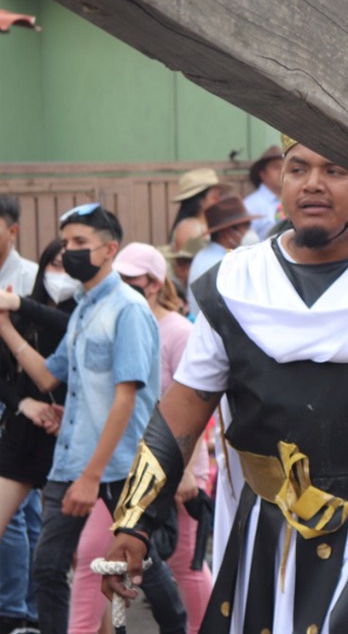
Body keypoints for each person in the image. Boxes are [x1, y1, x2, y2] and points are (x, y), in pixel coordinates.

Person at [101, 136, 348, 634]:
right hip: (270, 544)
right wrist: (132, 519)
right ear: (279, 184)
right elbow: (179, 415)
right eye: (297, 169)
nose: (313, 184)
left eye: (335, 170)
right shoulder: (236, 283)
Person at [0, 204, 188, 634]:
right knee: (48, 569)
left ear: (110, 250)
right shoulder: (84, 310)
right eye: (65, 244)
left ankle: (177, 625)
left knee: (144, 563)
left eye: (80, 243)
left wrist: (92, 475)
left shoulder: (129, 310)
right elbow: (49, 375)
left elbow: (127, 399)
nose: (69, 253)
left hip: (119, 467)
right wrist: (7, 328)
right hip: (73, 461)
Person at [70, 243, 212, 634]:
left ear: (153, 283)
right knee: (90, 554)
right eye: (119, 277)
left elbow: (201, 400)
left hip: (177, 468)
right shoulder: (119, 321)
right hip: (127, 470)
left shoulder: (180, 332)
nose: (123, 284)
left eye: (132, 278)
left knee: (185, 564)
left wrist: (186, 472)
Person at [0, 238, 77, 634]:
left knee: (75, 554)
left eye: (69, 263)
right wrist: (23, 406)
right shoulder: (22, 313)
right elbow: (8, 375)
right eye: (55, 264)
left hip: (76, 439)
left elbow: (68, 340)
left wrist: (18, 309)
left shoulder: (93, 311)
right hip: (27, 432)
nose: (60, 274)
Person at [185, 196, 260, 317]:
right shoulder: (223, 263)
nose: (250, 232)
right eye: (245, 227)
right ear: (227, 232)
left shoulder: (205, 255)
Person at [170, 168, 232, 253]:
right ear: (200, 201)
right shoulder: (189, 227)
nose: (219, 201)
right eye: (215, 197)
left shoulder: (210, 224)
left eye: (220, 196)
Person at [243, 146, 284, 241]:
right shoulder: (250, 206)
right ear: (263, 174)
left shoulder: (292, 201)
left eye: (285, 167)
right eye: (276, 167)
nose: (282, 171)